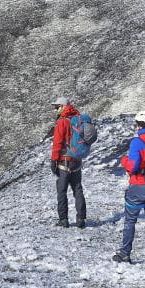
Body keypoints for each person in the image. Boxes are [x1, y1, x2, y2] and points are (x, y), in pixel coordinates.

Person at [113, 111, 145, 268]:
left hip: (138, 186)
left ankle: (125, 253)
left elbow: (133, 165)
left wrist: (124, 161)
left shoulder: (137, 142)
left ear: (139, 124)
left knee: (130, 221)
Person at [49, 97, 87, 229]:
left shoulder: (62, 122)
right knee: (78, 189)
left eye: (57, 107)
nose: (55, 109)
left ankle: (63, 219)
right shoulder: (79, 119)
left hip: (64, 161)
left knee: (61, 191)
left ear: (63, 106)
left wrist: (53, 160)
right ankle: (81, 218)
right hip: (77, 160)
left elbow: (58, 143)